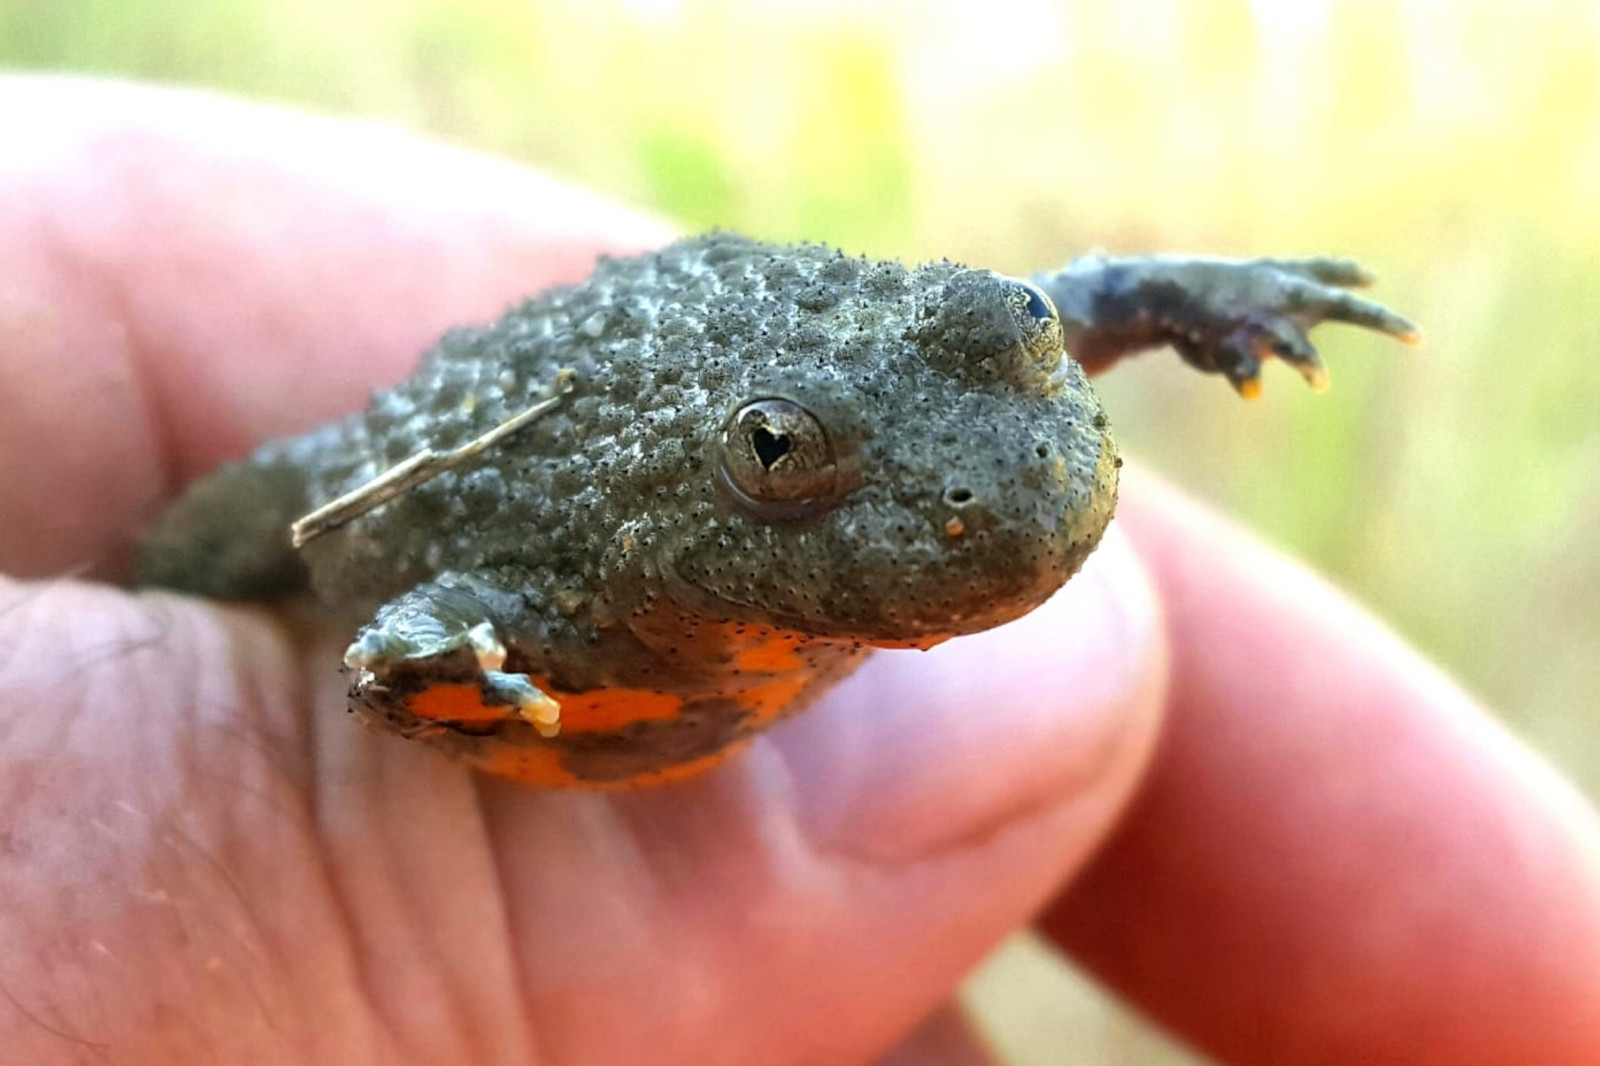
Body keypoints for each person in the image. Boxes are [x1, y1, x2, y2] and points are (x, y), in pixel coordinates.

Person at [2, 76, 1597, 1066]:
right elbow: (400, 634)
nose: (992, 500)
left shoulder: (930, 355)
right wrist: (431, 676)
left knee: (914, 373)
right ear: (726, 473)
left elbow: (1053, 302)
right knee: (231, 531)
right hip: (480, 489)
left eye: (1026, 351)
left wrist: (1192, 297)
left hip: (727, 413)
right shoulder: (578, 549)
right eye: (784, 459)